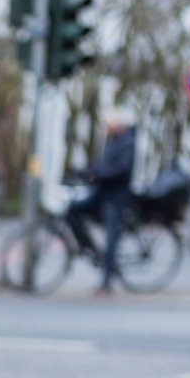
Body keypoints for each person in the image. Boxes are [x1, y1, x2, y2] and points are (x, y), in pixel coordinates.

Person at [67, 111, 137, 294]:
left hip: (115, 196)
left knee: (111, 237)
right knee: (72, 210)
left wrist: (97, 175)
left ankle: (107, 280)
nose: (107, 126)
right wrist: (83, 171)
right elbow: (99, 164)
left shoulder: (127, 141)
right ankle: (88, 247)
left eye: (110, 123)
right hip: (101, 193)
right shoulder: (111, 140)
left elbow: (121, 169)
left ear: (119, 124)